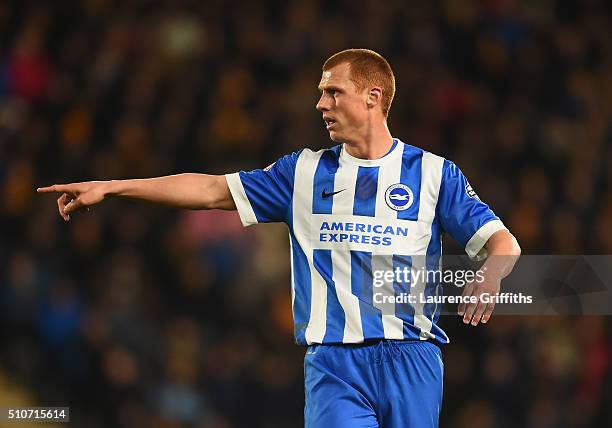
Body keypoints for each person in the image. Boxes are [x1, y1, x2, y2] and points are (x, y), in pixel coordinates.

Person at [38, 48, 521, 428]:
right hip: (335, 365)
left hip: (412, 358)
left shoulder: (435, 174)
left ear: (373, 97)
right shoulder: (302, 173)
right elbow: (210, 189)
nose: (320, 104)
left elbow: (504, 243)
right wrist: (115, 186)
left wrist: (490, 277)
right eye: (320, 93)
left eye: (333, 92)